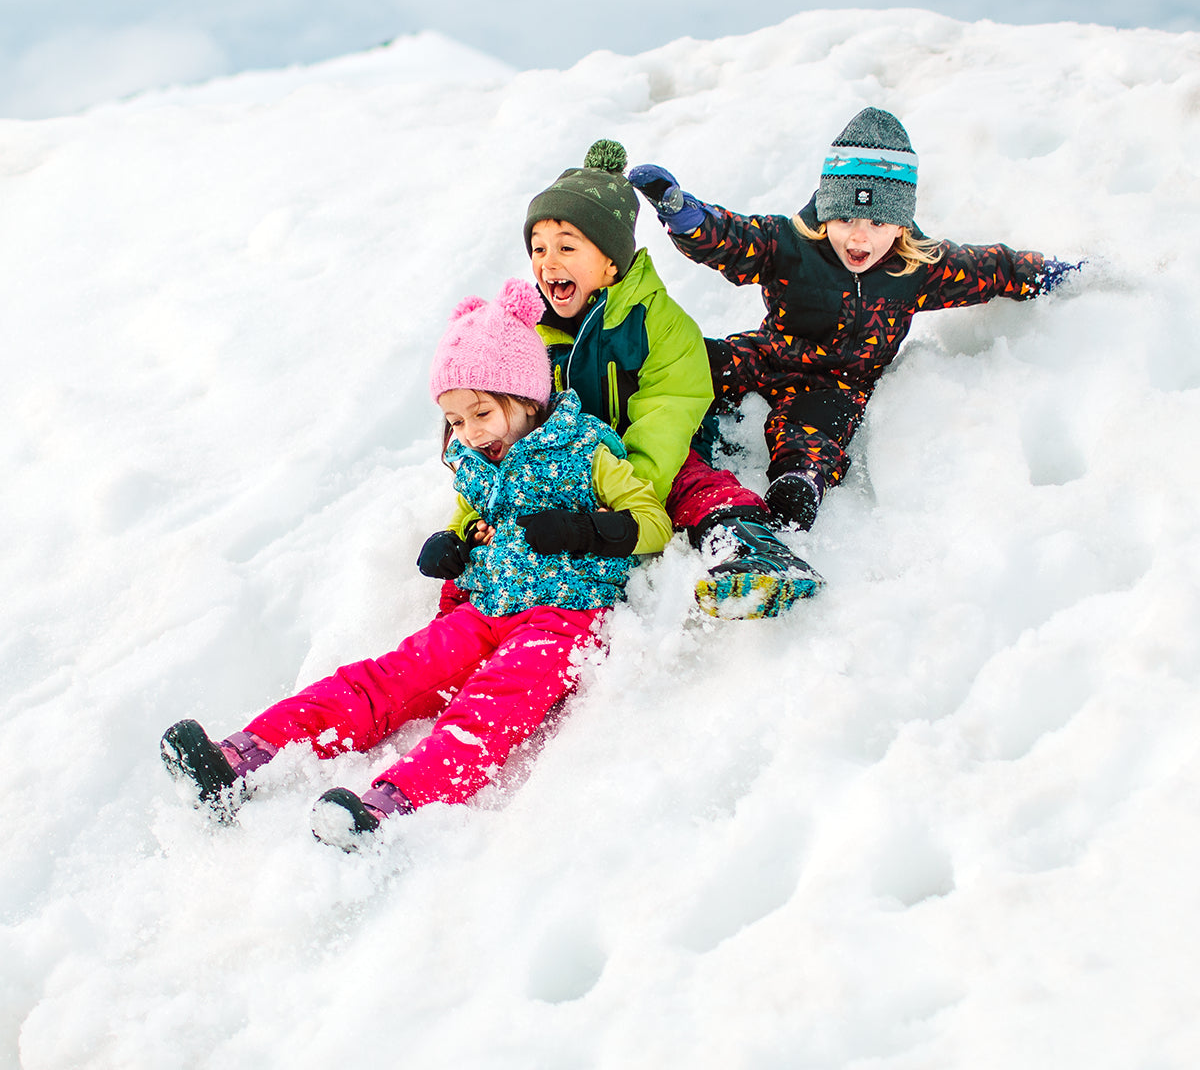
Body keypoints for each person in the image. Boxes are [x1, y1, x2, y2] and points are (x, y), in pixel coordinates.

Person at [161, 278, 673, 850]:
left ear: (528, 398)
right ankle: (243, 755)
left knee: (489, 710)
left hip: (562, 618)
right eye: (455, 422)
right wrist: (453, 544)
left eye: (481, 413)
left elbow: (653, 522)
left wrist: (583, 528)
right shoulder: (479, 462)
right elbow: (470, 519)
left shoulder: (587, 449)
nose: (470, 434)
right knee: (388, 678)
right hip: (485, 607)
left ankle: (393, 807)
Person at [628, 108, 1082, 529]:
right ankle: (614, 404)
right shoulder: (790, 245)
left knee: (817, 431)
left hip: (839, 383)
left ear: (901, 225)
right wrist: (685, 216)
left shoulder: (917, 270)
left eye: (877, 223)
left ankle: (799, 484)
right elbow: (733, 239)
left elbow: (991, 268)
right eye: (844, 217)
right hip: (770, 355)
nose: (858, 236)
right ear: (825, 212)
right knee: (697, 361)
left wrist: (1046, 275)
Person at [519, 138, 823, 619]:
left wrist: (629, 492)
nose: (547, 261)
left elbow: (669, 406)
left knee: (696, 485)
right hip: (586, 458)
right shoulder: (533, 330)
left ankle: (753, 551)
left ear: (611, 261)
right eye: (538, 248)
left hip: (659, 454)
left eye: (566, 247)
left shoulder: (658, 322)